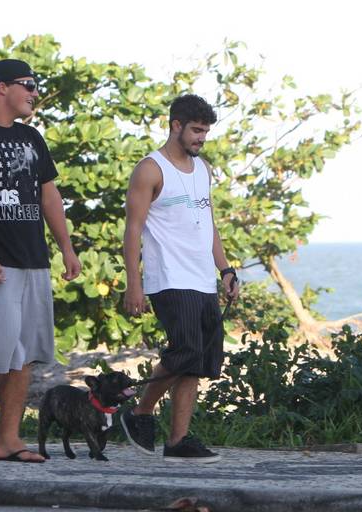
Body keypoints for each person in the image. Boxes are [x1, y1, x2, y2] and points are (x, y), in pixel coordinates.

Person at [0, 58, 81, 463]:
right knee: (0, 342)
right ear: (2, 87)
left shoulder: (31, 138)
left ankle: (8, 440)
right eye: (28, 85)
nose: (34, 93)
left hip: (33, 260)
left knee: (23, 353)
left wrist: (66, 246)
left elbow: (49, 197)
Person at [121, 94, 240, 463]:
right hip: (170, 278)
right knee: (185, 349)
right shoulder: (150, 169)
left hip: (203, 278)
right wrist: (134, 283)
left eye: (205, 132)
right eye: (196, 131)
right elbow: (132, 229)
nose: (201, 138)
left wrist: (226, 270)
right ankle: (140, 412)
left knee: (199, 360)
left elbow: (209, 226)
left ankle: (178, 441)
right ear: (176, 126)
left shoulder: (202, 168)